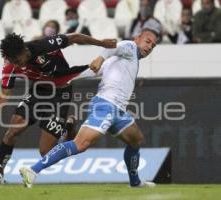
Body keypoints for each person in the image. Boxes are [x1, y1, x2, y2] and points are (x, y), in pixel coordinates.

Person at [20, 28, 159, 188]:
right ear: (137, 38)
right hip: (106, 105)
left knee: (136, 140)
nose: (149, 47)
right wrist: (99, 58)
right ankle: (32, 170)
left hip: (119, 110)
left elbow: (93, 70)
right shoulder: (129, 46)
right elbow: (114, 47)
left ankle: (135, 182)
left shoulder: (122, 61)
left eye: (153, 46)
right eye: (147, 42)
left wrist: (68, 78)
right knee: (81, 144)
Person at [0, 32, 116, 182]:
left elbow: (75, 37)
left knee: (45, 151)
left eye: (17, 60)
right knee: (12, 132)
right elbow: (3, 98)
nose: (16, 64)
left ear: (24, 50)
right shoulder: (10, 65)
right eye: (12, 61)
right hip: (39, 91)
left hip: (61, 91)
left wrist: (101, 43)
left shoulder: (43, 45)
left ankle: (68, 127)